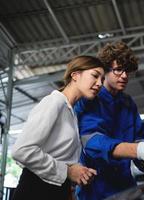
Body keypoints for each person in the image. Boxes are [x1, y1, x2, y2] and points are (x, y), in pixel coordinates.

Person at [74, 41, 144, 200]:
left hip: (127, 188)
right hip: (96, 191)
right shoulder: (89, 100)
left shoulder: (128, 103)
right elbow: (92, 143)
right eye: (118, 70)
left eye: (128, 71)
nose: (124, 76)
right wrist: (138, 150)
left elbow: (138, 139)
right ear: (104, 70)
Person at [11, 55, 108, 200]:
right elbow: (21, 151)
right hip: (35, 191)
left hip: (57, 189)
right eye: (95, 76)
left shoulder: (71, 112)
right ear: (75, 75)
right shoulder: (54, 102)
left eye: (102, 79)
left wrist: (78, 172)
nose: (100, 83)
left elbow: (61, 156)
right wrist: (68, 172)